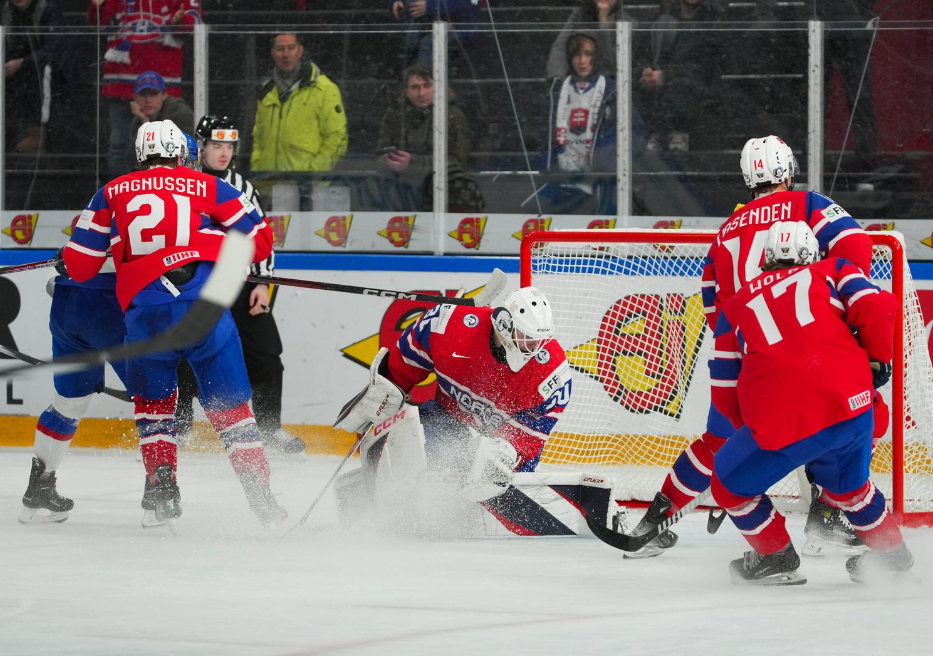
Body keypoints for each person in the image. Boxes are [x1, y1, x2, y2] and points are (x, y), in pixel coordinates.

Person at [628, 135, 882, 557]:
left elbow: (711, 296)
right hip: (811, 350)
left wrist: (743, 340)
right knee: (859, 418)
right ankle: (831, 514)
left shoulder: (728, 229)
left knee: (718, 440)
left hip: (751, 357)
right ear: (788, 170)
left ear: (748, 177)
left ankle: (651, 525)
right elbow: (857, 248)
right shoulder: (808, 205)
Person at [60, 119, 287, 528]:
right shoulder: (210, 187)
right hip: (204, 311)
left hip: (146, 316)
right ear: (183, 154)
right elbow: (261, 243)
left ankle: (163, 490)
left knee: (155, 408)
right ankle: (263, 500)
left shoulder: (110, 192)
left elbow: (79, 267)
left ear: (139, 155)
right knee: (232, 411)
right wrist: (209, 241)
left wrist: (74, 252)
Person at [710, 220, 912, 585]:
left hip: (783, 422)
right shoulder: (832, 269)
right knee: (852, 488)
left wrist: (756, 432)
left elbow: (724, 387)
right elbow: (877, 304)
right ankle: (892, 555)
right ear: (813, 253)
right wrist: (878, 360)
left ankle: (776, 559)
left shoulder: (736, 306)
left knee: (727, 483)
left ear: (767, 258)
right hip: (853, 407)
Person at [336, 287, 572, 477]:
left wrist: (509, 452)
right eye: (527, 337)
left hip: (500, 452)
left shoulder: (553, 374)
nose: (535, 346)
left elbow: (532, 434)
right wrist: (387, 391)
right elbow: (406, 362)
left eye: (540, 339)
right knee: (411, 437)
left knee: (493, 473)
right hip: (446, 424)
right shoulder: (448, 324)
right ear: (504, 324)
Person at [174, 114, 306, 454]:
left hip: (242, 282)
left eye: (229, 146)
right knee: (185, 351)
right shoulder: (184, 183)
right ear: (200, 146)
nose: (223, 153)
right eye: (216, 145)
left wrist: (262, 283)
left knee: (267, 355)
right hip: (198, 282)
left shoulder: (243, 186)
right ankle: (180, 423)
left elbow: (262, 234)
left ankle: (269, 427)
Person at [88, 0, 202, 178]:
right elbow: (98, 22)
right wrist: (99, 5)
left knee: (169, 148)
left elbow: (195, 24)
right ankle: (125, 199)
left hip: (162, 83)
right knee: (119, 147)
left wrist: (179, 21)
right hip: (121, 81)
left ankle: (165, 196)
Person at [542, 31, 645, 216]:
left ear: (596, 57)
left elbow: (637, 134)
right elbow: (543, 137)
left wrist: (603, 160)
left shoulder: (612, 91)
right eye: (577, 54)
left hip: (600, 185)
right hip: (561, 183)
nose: (582, 61)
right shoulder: (555, 92)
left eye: (588, 54)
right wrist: (549, 168)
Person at [372, 63, 483, 212]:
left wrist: (414, 163)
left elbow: (459, 160)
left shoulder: (452, 115)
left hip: (444, 192)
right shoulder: (393, 115)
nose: (422, 93)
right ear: (405, 91)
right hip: (402, 193)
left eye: (427, 85)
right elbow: (379, 157)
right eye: (415, 87)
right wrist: (388, 162)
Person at [250, 33, 347, 174]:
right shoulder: (266, 90)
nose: (286, 54)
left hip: (307, 189)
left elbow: (337, 139)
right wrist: (257, 171)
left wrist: (311, 176)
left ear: (300, 51)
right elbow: (258, 138)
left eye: (291, 48)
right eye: (280, 49)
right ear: (273, 54)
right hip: (267, 185)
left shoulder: (324, 89)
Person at [634, 0, 723, 151]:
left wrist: (666, 75)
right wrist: (646, 72)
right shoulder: (662, 18)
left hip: (697, 95)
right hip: (660, 92)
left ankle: (676, 135)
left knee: (680, 86)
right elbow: (644, 53)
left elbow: (709, 66)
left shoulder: (715, 20)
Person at [2, 0, 64, 152]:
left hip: (43, 69)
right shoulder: (5, 10)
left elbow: (54, 49)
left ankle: (37, 133)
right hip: (11, 68)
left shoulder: (47, 9)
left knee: (40, 75)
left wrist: (23, 62)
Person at [546, 0, 634, 82]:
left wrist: (603, 23)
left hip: (609, 84)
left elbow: (614, 63)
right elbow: (561, 46)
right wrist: (557, 77)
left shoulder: (625, 21)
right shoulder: (580, 14)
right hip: (579, 81)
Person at [125, 71, 194, 171]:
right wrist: (145, 122)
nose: (148, 100)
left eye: (153, 94)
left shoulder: (180, 114)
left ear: (164, 95)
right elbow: (133, 163)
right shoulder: (140, 117)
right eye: (143, 94)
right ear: (135, 98)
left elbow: (188, 157)